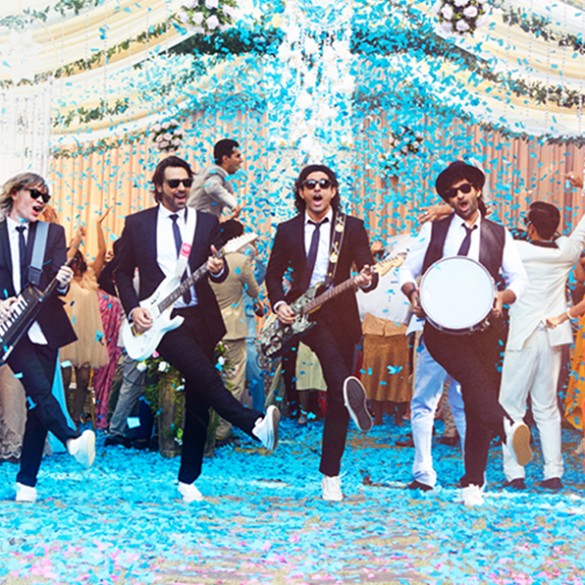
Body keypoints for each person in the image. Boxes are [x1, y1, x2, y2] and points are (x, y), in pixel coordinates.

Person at [114, 155, 280, 502]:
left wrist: (219, 269)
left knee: (199, 398)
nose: (181, 188)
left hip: (200, 318)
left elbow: (217, 270)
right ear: (158, 186)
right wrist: (133, 309)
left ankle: (188, 480)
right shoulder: (138, 224)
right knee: (207, 377)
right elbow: (120, 272)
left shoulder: (205, 222)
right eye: (173, 183)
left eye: (186, 183)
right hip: (162, 321)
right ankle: (253, 423)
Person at [399, 160, 530, 507]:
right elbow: (406, 270)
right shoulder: (435, 230)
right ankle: (507, 427)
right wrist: (412, 292)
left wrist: (503, 297)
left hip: (482, 330)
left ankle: (474, 482)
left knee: (475, 399)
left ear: (477, 190)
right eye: (451, 193)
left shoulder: (499, 234)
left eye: (464, 189)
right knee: (470, 384)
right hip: (439, 330)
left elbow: (519, 279)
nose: (458, 196)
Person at [265, 164, 378, 501]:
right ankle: (349, 388)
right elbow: (273, 275)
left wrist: (367, 279)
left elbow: (368, 271)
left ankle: (331, 475)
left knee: (338, 399)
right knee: (329, 352)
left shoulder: (352, 227)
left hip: (341, 313)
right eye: (310, 184)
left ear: (333, 191)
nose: (317, 189)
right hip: (302, 315)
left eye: (324, 184)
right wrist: (279, 304)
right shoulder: (287, 230)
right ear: (301, 192)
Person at [0, 172, 95, 502]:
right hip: (10, 329)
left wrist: (64, 281)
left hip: (45, 327)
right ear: (15, 193)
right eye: (35, 194)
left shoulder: (52, 233)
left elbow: (57, 283)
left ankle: (26, 483)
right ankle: (71, 438)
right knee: (40, 390)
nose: (40, 201)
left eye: (46, 197)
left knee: (37, 404)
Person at [499, 202, 585, 491]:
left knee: (511, 406)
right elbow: (580, 233)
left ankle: (515, 474)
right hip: (552, 336)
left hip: (523, 336)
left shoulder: (516, 250)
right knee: (547, 407)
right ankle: (553, 473)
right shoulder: (565, 253)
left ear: (530, 226)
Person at [209, 219, 262, 443]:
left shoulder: (207, 260)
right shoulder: (240, 261)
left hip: (208, 329)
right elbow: (254, 290)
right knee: (233, 380)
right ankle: (222, 430)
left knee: (210, 379)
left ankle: (207, 424)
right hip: (232, 329)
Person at [61, 214, 111, 427]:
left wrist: (98, 226)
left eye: (76, 259)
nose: (74, 262)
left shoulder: (90, 274)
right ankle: (62, 416)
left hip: (86, 336)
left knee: (83, 380)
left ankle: (76, 416)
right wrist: (76, 240)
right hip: (65, 336)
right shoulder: (62, 279)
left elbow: (101, 252)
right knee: (64, 379)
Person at [188, 138, 243, 219]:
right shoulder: (217, 173)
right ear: (225, 159)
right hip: (199, 221)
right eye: (237, 156)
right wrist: (233, 204)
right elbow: (211, 186)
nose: (241, 160)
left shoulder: (208, 172)